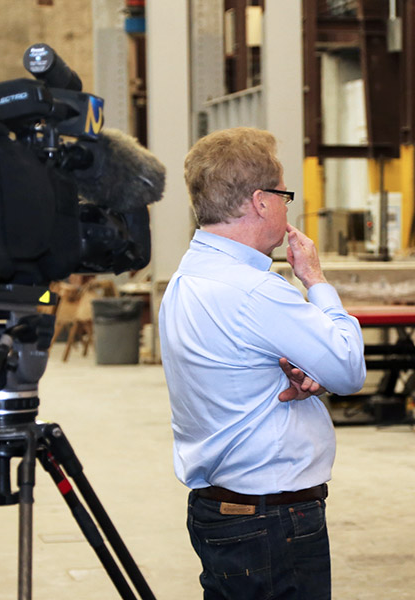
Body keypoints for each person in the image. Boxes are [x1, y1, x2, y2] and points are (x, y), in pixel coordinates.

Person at [159, 127, 366, 600]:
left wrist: (299, 371)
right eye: (284, 195)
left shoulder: (187, 279)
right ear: (261, 202)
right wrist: (316, 281)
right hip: (272, 522)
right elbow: (349, 369)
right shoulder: (255, 290)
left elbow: (237, 366)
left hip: (223, 512)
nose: (286, 207)